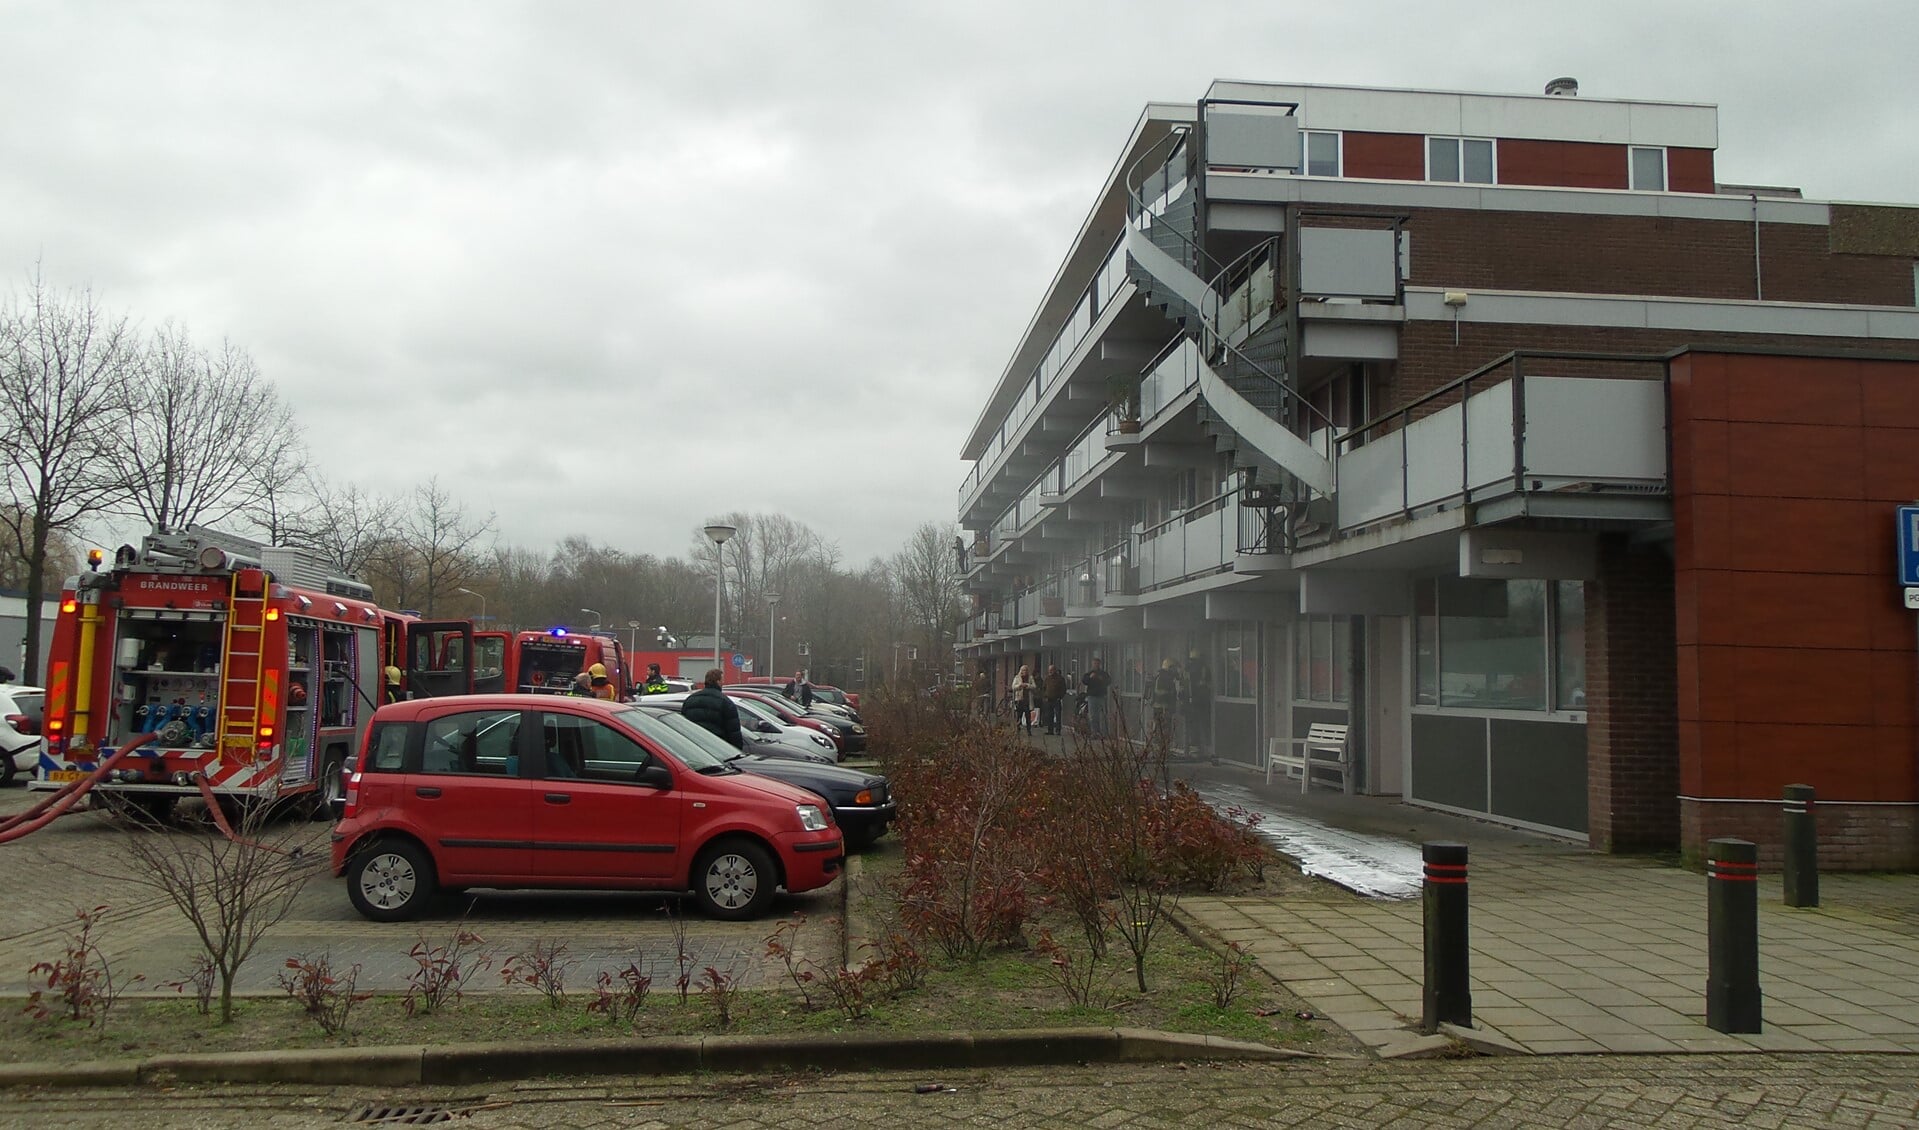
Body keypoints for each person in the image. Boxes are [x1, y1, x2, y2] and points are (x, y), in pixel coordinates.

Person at [681, 667, 743, 749]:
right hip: (717, 748)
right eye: (722, 680)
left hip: (694, 747)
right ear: (718, 682)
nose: (723, 683)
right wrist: (737, 750)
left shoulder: (690, 699)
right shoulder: (725, 702)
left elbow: (683, 724)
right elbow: (733, 732)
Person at [1151, 657, 1182, 747]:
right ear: (1169, 668)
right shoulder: (1165, 679)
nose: (1175, 670)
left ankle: (1161, 750)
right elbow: (1165, 694)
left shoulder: (1163, 677)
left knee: (1160, 729)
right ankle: (1161, 750)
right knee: (1163, 729)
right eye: (1173, 668)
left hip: (1160, 708)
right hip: (1163, 708)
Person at [1080, 656, 1113, 737]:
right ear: (1092, 664)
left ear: (1100, 664)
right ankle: (1094, 732)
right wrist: (1090, 678)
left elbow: (1109, 681)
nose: (1096, 665)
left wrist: (1101, 679)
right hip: (1091, 696)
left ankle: (1103, 733)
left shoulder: (1103, 674)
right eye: (1094, 663)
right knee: (1092, 715)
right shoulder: (1089, 673)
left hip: (1101, 696)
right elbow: (1084, 681)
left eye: (1097, 663)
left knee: (1102, 715)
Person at [1009, 663, 1037, 736]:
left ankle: (1029, 730)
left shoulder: (1030, 678)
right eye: (1023, 670)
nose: (1024, 671)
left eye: (1025, 670)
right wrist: (1020, 686)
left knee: (1028, 716)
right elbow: (1013, 687)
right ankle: (1017, 729)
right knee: (1019, 715)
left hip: (1027, 700)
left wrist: (1027, 685)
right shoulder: (1017, 677)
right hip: (1019, 699)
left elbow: (1034, 686)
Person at [1041, 664, 1067, 736]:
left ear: (1055, 670)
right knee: (1049, 715)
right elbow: (1043, 688)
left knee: (1058, 715)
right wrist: (1044, 696)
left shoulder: (1060, 679)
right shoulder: (1047, 678)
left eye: (1051, 670)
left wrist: (1060, 697)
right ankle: (1050, 730)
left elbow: (1063, 689)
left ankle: (1058, 730)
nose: (1050, 671)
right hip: (1048, 699)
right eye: (1049, 670)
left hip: (1056, 699)